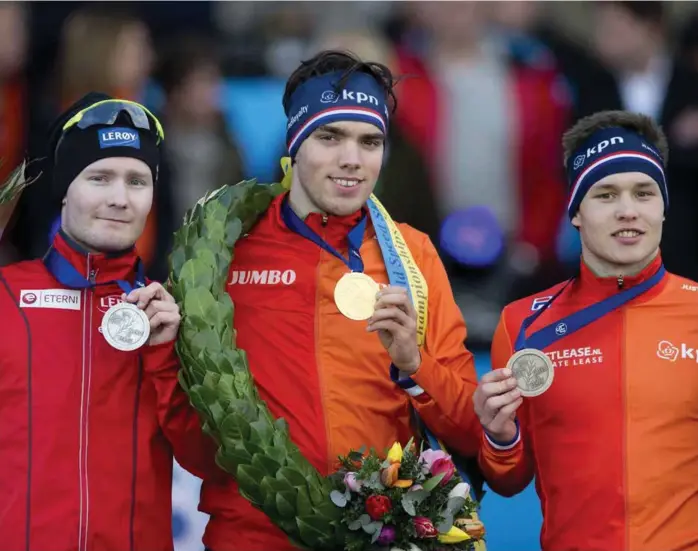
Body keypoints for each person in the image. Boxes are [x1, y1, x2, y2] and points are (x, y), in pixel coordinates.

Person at [198, 50, 483, 550]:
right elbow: (195, 438)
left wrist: (413, 365)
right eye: (330, 137)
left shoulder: (410, 255)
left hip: (376, 535)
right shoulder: (229, 251)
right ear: (295, 142)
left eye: (369, 141)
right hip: (254, 536)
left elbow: (468, 430)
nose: (352, 158)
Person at [0, 93, 222, 550]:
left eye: (137, 181)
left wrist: (166, 356)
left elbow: (207, 460)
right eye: (99, 178)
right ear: (65, 187)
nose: (119, 199)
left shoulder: (175, 315)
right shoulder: (7, 297)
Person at [474, 109, 698, 551]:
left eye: (644, 193)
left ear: (663, 208)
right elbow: (508, 479)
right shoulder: (522, 323)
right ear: (576, 213)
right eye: (606, 195)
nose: (628, 211)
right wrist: (500, 436)